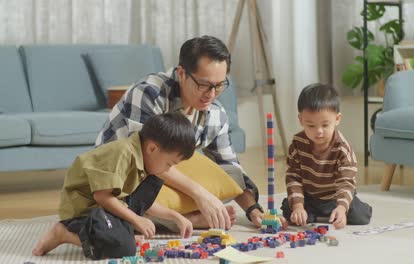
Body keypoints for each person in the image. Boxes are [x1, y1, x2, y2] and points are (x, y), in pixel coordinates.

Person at [96, 35, 284, 229]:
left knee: (218, 187)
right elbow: (143, 159)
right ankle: (181, 219)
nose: (211, 94)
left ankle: (176, 217)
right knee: (122, 206)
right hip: (121, 173)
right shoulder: (149, 93)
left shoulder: (215, 114)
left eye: (219, 85)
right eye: (203, 85)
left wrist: (253, 209)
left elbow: (229, 167)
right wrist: (200, 194)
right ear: (181, 73)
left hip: (159, 172)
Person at [32, 113, 196, 259]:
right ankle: (63, 233)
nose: (169, 169)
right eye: (169, 163)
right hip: (85, 212)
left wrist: (175, 216)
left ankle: (120, 231)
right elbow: (102, 196)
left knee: (152, 183)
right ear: (152, 148)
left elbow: (144, 202)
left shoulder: (143, 160)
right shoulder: (122, 153)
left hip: (107, 206)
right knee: (124, 247)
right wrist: (136, 219)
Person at [281, 83, 372, 229]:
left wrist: (342, 208)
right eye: (311, 125)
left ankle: (339, 210)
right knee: (290, 211)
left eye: (325, 125)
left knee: (360, 217)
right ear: (301, 120)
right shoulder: (297, 143)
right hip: (310, 196)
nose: (319, 131)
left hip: (334, 197)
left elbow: (346, 182)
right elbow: (293, 177)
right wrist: (298, 206)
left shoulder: (343, 149)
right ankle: (315, 213)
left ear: (337, 119)